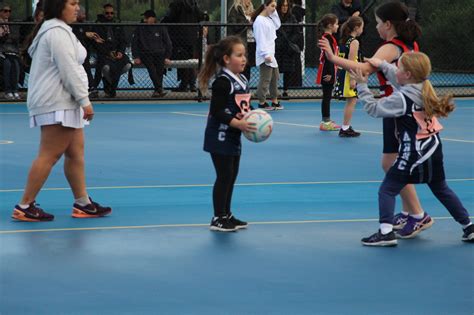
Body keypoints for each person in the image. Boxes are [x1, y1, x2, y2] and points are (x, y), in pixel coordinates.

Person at [319, 1, 430, 239]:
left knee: (392, 164)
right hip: (403, 107)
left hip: (398, 109)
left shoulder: (391, 47)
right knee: (390, 162)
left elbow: (364, 69)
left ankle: (418, 214)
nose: (376, 27)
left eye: (379, 23)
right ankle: (411, 211)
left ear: (388, 24)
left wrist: (332, 58)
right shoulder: (408, 42)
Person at [351, 52, 474, 246]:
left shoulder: (401, 98)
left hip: (414, 151)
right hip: (434, 148)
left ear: (407, 74)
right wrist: (382, 64)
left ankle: (386, 232)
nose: (396, 70)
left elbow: (373, 109)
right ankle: (469, 226)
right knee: (441, 188)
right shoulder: (424, 87)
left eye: (399, 68)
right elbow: (398, 77)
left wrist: (362, 86)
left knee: (387, 189)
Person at [12, 0, 111, 222]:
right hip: (58, 101)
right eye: (73, 3)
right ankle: (24, 205)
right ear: (59, 6)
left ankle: (82, 203)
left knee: (75, 153)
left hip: (65, 101)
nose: (78, 8)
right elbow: (68, 69)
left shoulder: (60, 30)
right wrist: (84, 100)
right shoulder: (56, 32)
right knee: (50, 154)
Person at [198, 36, 256, 232]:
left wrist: (254, 116)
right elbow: (217, 110)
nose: (243, 59)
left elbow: (244, 105)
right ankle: (218, 217)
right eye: (239, 55)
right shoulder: (223, 81)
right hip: (220, 135)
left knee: (232, 176)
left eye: (244, 55)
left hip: (233, 135)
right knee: (224, 176)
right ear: (226, 59)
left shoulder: (242, 79)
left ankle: (227, 213)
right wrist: (237, 123)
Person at [162, 0, 205, 92]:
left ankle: (184, 84)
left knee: (182, 61)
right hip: (192, 38)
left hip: (179, 38)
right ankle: (192, 84)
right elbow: (201, 16)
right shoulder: (194, 4)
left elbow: (169, 17)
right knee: (191, 61)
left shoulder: (176, 4)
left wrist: (162, 22)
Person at [91, 3, 131, 98]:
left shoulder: (117, 24)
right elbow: (96, 43)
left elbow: (123, 40)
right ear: (103, 13)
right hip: (104, 54)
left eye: (111, 13)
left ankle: (109, 88)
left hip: (117, 53)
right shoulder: (98, 24)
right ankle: (110, 89)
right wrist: (107, 53)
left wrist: (120, 52)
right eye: (107, 13)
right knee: (105, 68)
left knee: (128, 65)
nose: (109, 15)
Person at [333, 16, 364, 137]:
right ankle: (345, 128)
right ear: (356, 28)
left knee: (350, 101)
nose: (362, 29)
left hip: (343, 72)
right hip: (349, 74)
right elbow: (351, 61)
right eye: (362, 27)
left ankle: (345, 126)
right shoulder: (354, 42)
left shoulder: (344, 40)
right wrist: (352, 79)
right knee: (352, 101)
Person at [132, 10, 172, 98]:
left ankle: (157, 90)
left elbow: (168, 43)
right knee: (152, 69)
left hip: (159, 53)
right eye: (144, 18)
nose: (145, 20)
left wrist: (167, 57)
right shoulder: (140, 28)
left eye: (147, 18)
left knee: (160, 70)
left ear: (153, 18)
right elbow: (134, 43)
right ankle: (159, 88)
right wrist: (136, 56)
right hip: (146, 53)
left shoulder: (161, 27)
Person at [252, 0, 283, 111]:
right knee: (265, 79)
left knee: (275, 77)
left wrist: (273, 12)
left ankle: (274, 101)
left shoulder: (269, 19)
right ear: (265, 6)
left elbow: (277, 25)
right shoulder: (259, 21)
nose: (274, 8)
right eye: (272, 6)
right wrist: (265, 54)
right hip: (264, 54)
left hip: (271, 54)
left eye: (275, 6)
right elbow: (261, 39)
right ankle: (261, 102)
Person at [315, 13, 340, 131]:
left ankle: (326, 120)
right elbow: (328, 56)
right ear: (330, 25)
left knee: (327, 96)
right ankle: (325, 121)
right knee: (327, 96)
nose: (338, 26)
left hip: (328, 68)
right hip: (327, 69)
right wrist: (330, 72)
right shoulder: (328, 38)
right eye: (336, 24)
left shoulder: (328, 37)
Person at [275, 0, 303, 98]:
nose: (285, 7)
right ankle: (274, 90)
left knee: (288, 70)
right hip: (277, 47)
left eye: (286, 6)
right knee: (275, 70)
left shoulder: (292, 17)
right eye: (283, 6)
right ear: (279, 6)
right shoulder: (274, 17)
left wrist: (290, 41)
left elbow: (296, 32)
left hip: (288, 49)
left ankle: (285, 90)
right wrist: (278, 42)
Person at [72, 5, 102, 94]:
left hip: (84, 54)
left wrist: (94, 39)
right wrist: (85, 34)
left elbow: (89, 38)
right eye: (82, 14)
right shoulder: (70, 25)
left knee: (86, 70)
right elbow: (74, 36)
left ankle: (91, 88)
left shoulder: (85, 25)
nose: (84, 16)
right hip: (73, 54)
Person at [227, 0, 255, 82]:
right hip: (240, 42)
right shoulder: (235, 10)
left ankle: (245, 88)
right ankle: (238, 88)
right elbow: (233, 26)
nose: (249, 1)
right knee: (240, 66)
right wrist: (247, 22)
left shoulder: (252, 11)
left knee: (248, 66)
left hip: (251, 42)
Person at [0, 4, 21, 100]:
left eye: (9, 11)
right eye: (5, 11)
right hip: (2, 51)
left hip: (12, 51)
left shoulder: (11, 24)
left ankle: (15, 90)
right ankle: (7, 91)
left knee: (16, 65)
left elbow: (16, 37)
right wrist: (6, 37)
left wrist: (6, 36)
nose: (7, 13)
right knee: (7, 65)